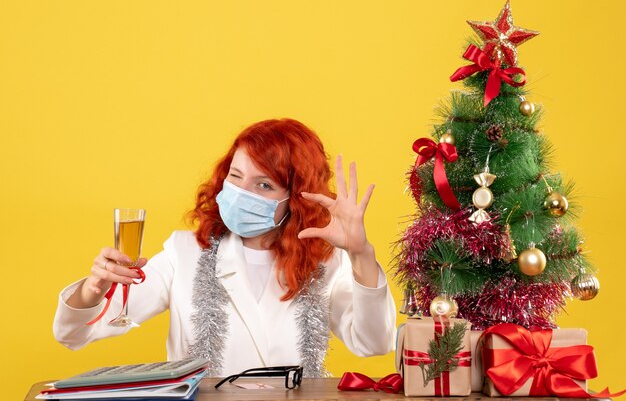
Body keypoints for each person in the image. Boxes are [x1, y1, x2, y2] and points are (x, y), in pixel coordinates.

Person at [53, 118, 396, 377]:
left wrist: (360, 254)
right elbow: (74, 334)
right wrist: (93, 288)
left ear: (297, 200)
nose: (242, 193)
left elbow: (373, 343)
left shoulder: (328, 263)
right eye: (235, 176)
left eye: (263, 184)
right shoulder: (183, 252)